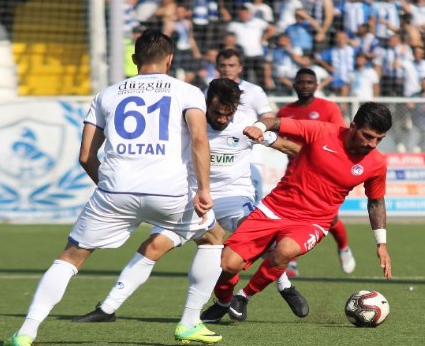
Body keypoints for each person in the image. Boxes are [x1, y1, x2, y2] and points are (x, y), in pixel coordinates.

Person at [3, 30, 220, 345]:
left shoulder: (107, 94)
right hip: (169, 193)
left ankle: (26, 332)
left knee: (71, 256)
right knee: (213, 238)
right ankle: (188, 322)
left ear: (134, 60)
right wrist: (203, 189)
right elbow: (199, 139)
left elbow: (85, 156)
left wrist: (110, 190)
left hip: (114, 191)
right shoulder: (187, 92)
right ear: (170, 59)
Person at [71, 78, 304, 325]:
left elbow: (288, 147)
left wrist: (323, 158)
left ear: (236, 108)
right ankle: (108, 307)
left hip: (236, 198)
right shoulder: (186, 123)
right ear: (206, 103)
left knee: (267, 243)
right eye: (217, 113)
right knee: (153, 246)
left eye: (229, 113)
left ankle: (285, 287)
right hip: (191, 198)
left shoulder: (247, 125)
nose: (222, 119)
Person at [201, 101, 393, 324]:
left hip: (314, 221)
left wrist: (381, 244)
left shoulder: (377, 163)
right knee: (228, 265)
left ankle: (244, 297)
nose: (372, 144)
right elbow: (274, 122)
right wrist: (260, 128)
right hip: (273, 208)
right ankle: (224, 302)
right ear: (352, 126)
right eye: (368, 136)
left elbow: (376, 201)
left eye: (379, 139)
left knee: (284, 251)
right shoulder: (322, 131)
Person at [276, 68, 356, 277]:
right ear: (293, 85)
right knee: (290, 215)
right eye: (301, 82)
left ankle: (343, 247)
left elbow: (341, 137)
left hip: (323, 172)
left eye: (309, 82)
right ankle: (291, 262)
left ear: (316, 85)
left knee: (329, 219)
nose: (305, 86)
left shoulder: (328, 108)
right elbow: (280, 139)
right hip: (295, 172)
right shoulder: (285, 111)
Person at [215, 48, 276, 202]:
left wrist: (257, 131)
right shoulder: (209, 91)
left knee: (251, 205)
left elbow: (268, 117)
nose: (227, 69)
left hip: (249, 156)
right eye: (223, 65)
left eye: (231, 65)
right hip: (219, 156)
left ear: (240, 68)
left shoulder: (253, 91)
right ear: (217, 67)